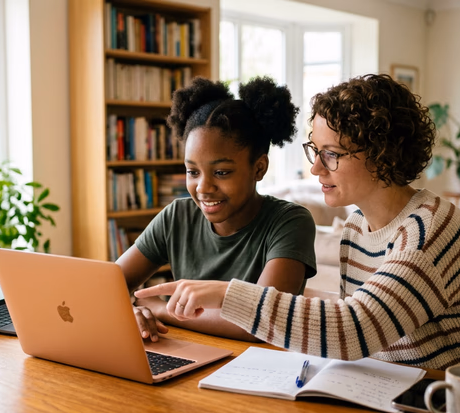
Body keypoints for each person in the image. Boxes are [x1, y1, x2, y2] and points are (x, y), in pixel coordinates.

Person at [135, 74, 460, 382]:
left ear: (380, 154)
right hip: (397, 392)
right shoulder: (356, 229)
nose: (316, 168)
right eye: (314, 151)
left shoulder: (431, 230)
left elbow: (356, 330)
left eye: (331, 155)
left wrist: (223, 294)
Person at [118, 76, 318, 343]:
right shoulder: (177, 216)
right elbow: (108, 287)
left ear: (259, 168)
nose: (203, 187)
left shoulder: (290, 222)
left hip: (258, 370)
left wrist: (160, 309)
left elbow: (265, 320)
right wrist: (131, 311)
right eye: (192, 172)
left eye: (221, 172)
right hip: (190, 355)